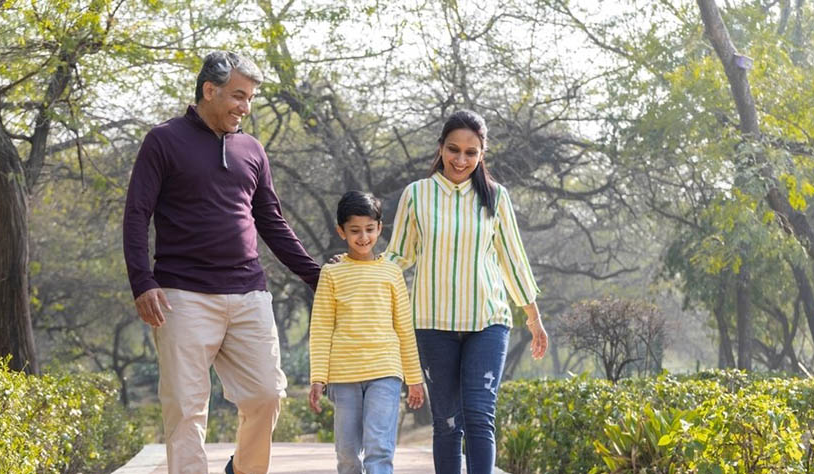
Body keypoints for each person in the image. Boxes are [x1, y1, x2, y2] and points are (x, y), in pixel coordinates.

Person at [123, 51, 321, 474]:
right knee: (187, 411)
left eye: (249, 99)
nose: (245, 107)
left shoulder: (251, 148)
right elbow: (137, 213)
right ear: (208, 90)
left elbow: (271, 220)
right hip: (182, 295)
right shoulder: (163, 140)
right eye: (238, 96)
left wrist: (315, 275)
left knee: (267, 395)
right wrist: (142, 281)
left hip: (249, 292)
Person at [384, 110, 548, 473]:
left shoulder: (496, 197)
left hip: (487, 321)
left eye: (471, 153)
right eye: (454, 150)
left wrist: (533, 318)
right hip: (432, 323)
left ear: (482, 154)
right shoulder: (417, 195)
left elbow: (513, 260)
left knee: (478, 416)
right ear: (440, 148)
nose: (461, 160)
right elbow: (399, 254)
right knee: (445, 423)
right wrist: (360, 267)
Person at [307, 191, 426, 474]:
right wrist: (317, 378)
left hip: (385, 370)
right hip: (344, 374)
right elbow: (321, 328)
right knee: (347, 452)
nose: (363, 237)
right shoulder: (331, 274)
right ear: (341, 232)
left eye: (369, 230)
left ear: (379, 228)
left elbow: (404, 329)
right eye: (355, 231)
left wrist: (414, 378)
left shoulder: (391, 273)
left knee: (380, 448)